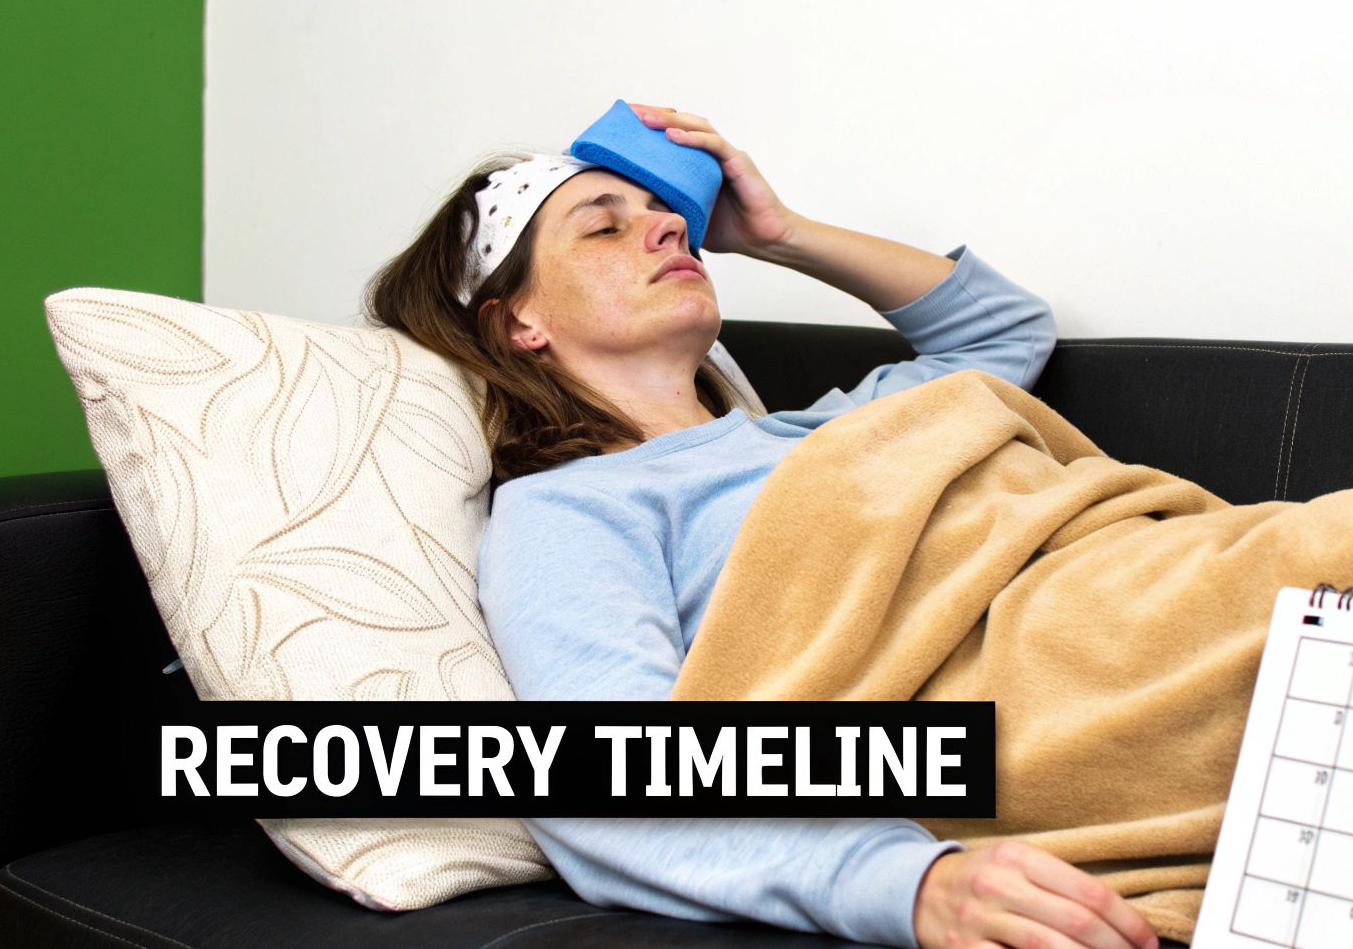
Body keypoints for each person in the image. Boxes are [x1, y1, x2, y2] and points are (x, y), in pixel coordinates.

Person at [364, 104, 1160, 949]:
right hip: (1084, 679)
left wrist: (780, 233)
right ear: (519, 321)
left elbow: (1006, 331)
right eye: (603, 228)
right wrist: (907, 883)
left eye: (666, 213)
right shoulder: (575, 506)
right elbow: (603, 771)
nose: (670, 226)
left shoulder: (823, 427)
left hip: (1147, 575)